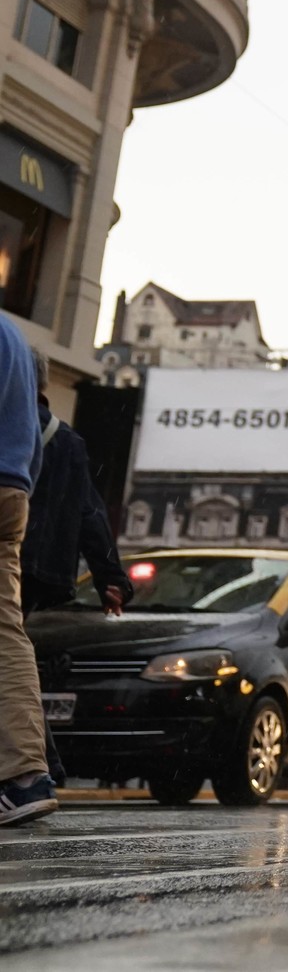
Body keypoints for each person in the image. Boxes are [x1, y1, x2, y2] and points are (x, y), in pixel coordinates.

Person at [23, 353, 131, 616]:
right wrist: (111, 579)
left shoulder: (12, 423)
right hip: (33, 570)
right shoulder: (67, 440)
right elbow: (89, 512)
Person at [0, 313, 51, 826]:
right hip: (12, 488)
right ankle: (25, 777)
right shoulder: (15, 337)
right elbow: (34, 432)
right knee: (5, 634)